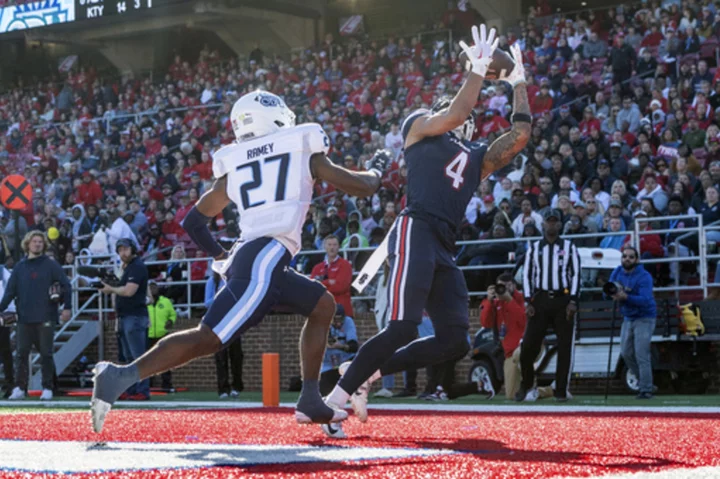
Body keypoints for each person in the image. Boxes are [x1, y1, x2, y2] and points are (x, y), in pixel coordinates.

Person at [91, 89, 390, 432]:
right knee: (209, 338)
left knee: (323, 306)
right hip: (265, 257)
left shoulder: (236, 163)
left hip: (260, 256)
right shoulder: (301, 148)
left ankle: (309, 398)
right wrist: (378, 168)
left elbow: (193, 221)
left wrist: (222, 256)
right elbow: (362, 187)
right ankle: (119, 376)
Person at [322, 25, 531, 438]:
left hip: (444, 246)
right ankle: (333, 401)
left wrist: (519, 82)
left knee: (454, 340)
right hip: (415, 228)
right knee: (403, 324)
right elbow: (454, 114)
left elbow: (520, 136)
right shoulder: (419, 127)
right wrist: (476, 68)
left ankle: (365, 372)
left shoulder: (475, 157)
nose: (466, 118)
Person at [518, 208, 581, 402]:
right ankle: (528, 384)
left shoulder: (570, 247)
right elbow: (527, 275)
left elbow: (576, 274)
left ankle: (561, 389)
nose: (551, 224)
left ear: (560, 225)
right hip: (540, 300)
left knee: (564, 346)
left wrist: (573, 300)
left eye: (555, 221)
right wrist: (528, 300)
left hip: (563, 300)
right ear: (543, 224)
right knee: (528, 346)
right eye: (548, 221)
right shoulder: (534, 248)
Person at [0, 231, 71, 401]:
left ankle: (47, 387)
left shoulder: (51, 265)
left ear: (44, 245)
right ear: (27, 244)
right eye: (34, 241)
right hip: (24, 317)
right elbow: (9, 292)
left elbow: (66, 285)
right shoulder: (20, 267)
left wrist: (67, 308)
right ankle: (19, 388)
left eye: (40, 241)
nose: (37, 244)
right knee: (21, 354)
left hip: (46, 315)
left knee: (46, 353)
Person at [100, 238, 150, 400]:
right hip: (125, 316)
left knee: (138, 357)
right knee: (128, 358)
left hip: (134, 316)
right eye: (120, 250)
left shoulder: (137, 267)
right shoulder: (127, 268)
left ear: (133, 249)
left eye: (126, 249)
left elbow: (129, 291)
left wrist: (111, 289)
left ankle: (142, 390)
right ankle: (131, 390)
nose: (123, 252)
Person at [607, 245, 657, 399]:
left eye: (630, 257)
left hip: (644, 317)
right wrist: (611, 295)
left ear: (636, 260)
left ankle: (646, 389)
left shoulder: (644, 277)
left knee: (641, 353)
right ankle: (644, 382)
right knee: (626, 352)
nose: (627, 259)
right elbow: (609, 288)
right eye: (624, 256)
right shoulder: (617, 272)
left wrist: (626, 297)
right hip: (628, 317)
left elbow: (645, 300)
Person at [479, 273, 525, 399]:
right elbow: (485, 323)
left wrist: (509, 300)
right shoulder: (496, 302)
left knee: (519, 354)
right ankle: (546, 390)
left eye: (507, 285)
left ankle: (529, 382)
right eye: (501, 286)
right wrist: (488, 301)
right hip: (509, 352)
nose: (504, 288)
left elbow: (523, 320)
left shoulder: (522, 298)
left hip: (526, 346)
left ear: (514, 285)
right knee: (511, 395)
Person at [206, 271, 245, 398]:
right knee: (221, 357)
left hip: (234, 322)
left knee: (236, 355)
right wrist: (222, 298)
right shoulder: (212, 281)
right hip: (218, 323)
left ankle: (237, 387)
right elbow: (207, 302)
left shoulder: (235, 280)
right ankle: (223, 389)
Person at [310, 235, 354, 317]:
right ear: (324, 246)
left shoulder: (345, 265)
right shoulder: (317, 267)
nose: (332, 247)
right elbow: (313, 288)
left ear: (338, 247)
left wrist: (322, 283)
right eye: (329, 245)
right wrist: (329, 282)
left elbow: (341, 287)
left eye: (334, 245)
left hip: (342, 313)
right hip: (323, 312)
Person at [320, 304, 358, 396]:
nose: (338, 323)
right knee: (323, 391)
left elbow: (354, 347)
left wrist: (340, 346)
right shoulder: (321, 323)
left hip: (345, 362)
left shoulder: (348, 322)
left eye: (340, 320)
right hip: (328, 365)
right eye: (335, 320)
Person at [146, 280, 176, 392]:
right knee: (148, 361)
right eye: (150, 287)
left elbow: (172, 314)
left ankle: (167, 384)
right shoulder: (145, 302)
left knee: (165, 360)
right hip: (148, 335)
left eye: (154, 287)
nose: (153, 289)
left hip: (162, 335)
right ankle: (148, 384)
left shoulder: (166, 301)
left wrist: (171, 321)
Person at [0, 262, 15, 398]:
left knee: (5, 351)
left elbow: (10, 290)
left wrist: (9, 311)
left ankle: (10, 385)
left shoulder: (2, 271)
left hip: (1, 315)